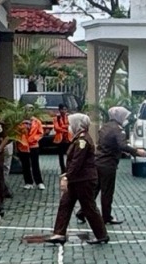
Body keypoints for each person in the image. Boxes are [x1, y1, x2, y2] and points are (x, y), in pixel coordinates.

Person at [50, 113, 109, 245]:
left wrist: (67, 176)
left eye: (71, 123)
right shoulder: (79, 139)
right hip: (77, 180)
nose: (69, 126)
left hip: (84, 180)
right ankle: (59, 233)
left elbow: (77, 161)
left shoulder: (82, 140)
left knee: (88, 207)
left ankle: (101, 235)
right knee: (65, 204)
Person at [98, 106, 129, 223]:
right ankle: (106, 216)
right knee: (107, 192)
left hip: (98, 161)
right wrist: (137, 151)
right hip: (108, 164)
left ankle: (82, 212)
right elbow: (123, 146)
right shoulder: (118, 129)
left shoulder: (104, 126)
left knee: (95, 190)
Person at [17, 111, 45, 189]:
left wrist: (33, 139)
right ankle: (28, 182)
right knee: (25, 165)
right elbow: (17, 132)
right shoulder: (20, 122)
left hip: (34, 145)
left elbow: (40, 133)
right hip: (23, 146)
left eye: (30, 110)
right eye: (27, 110)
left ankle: (39, 182)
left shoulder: (37, 121)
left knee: (35, 164)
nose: (28, 112)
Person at [51, 105, 72, 174]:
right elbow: (56, 128)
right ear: (59, 110)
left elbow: (70, 126)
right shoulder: (56, 118)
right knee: (61, 156)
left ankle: (69, 168)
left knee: (69, 155)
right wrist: (65, 129)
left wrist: (63, 127)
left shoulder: (69, 117)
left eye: (65, 109)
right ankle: (63, 170)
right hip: (60, 139)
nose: (64, 111)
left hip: (68, 139)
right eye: (62, 109)